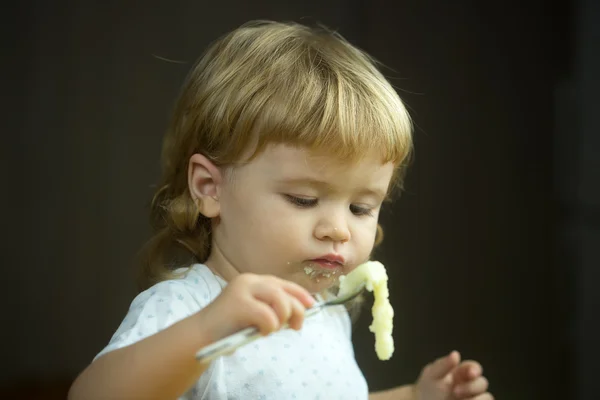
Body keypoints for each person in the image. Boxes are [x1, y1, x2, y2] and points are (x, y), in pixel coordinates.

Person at [68, 20, 493, 400]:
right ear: (209, 187)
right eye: (304, 200)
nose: (338, 230)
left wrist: (416, 397)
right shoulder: (188, 307)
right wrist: (206, 329)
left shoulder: (323, 314)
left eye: (361, 207)